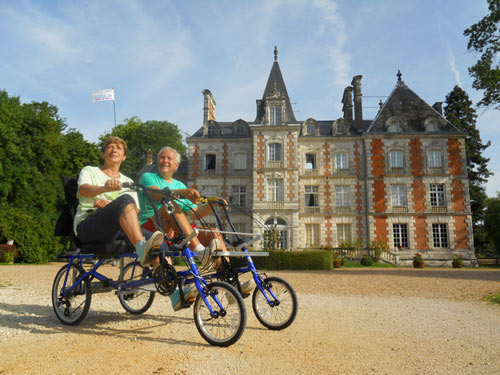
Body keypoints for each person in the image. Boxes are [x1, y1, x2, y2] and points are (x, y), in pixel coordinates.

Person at [73, 136, 164, 266]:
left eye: (119, 148)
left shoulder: (129, 182)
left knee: (159, 243)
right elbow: (83, 190)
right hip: (88, 224)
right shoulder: (89, 170)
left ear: (124, 157)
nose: (114, 150)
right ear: (104, 154)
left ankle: (167, 282)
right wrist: (104, 188)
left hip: (118, 228)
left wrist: (110, 206)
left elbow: (135, 210)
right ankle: (141, 247)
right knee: (125, 199)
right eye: (110, 147)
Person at [138, 146, 228, 260]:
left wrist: (212, 203)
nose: (165, 160)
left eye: (169, 158)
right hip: (150, 229)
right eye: (162, 158)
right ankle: (199, 250)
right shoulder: (148, 177)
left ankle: (226, 271)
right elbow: (158, 194)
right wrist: (183, 193)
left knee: (213, 232)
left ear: (176, 165)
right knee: (170, 206)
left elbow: (195, 213)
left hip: (175, 230)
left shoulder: (179, 184)